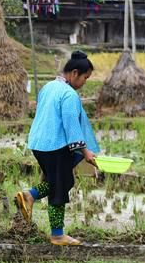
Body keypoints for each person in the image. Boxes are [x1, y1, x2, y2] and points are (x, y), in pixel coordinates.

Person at [14, 51, 99, 246]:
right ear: (75, 73)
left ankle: (29, 196)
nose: (85, 82)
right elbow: (71, 126)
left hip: (39, 143)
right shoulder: (68, 94)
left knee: (57, 181)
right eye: (85, 78)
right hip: (56, 146)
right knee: (59, 188)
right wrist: (85, 152)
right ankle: (57, 234)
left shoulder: (49, 87)